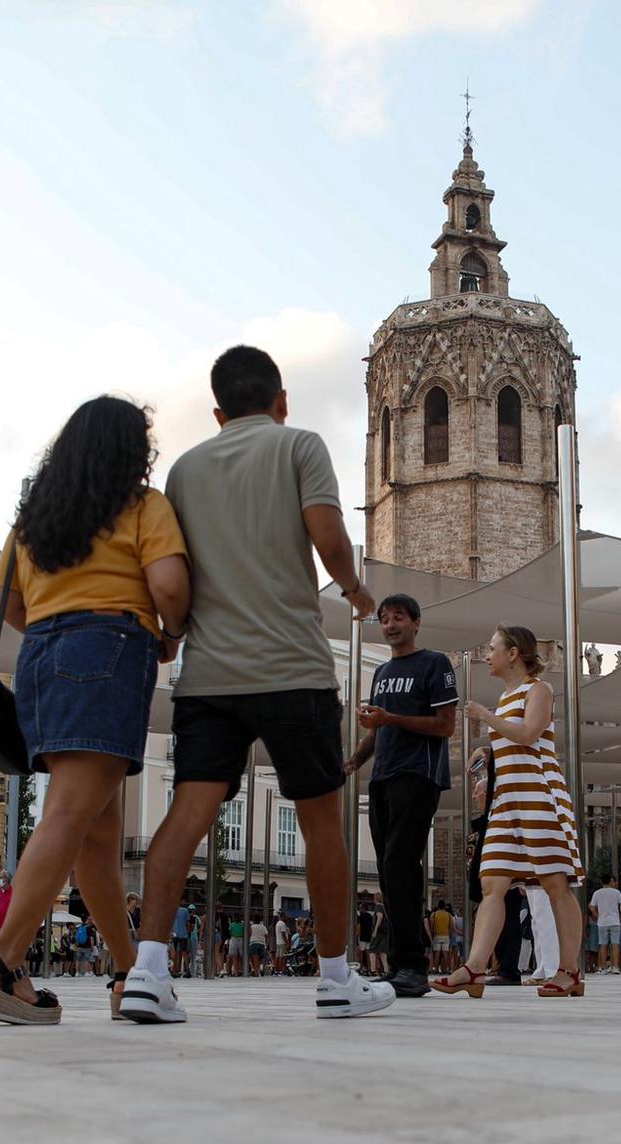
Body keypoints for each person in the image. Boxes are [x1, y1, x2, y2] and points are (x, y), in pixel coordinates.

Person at [129, 346, 395, 1021]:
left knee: (186, 813)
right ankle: (337, 979)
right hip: (292, 668)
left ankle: (148, 971)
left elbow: (177, 570)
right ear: (281, 400)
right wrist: (360, 595)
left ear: (217, 412)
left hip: (210, 674)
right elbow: (330, 543)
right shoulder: (300, 446)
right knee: (319, 822)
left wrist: (177, 631)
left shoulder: (185, 470)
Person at [0, 398, 185, 1023]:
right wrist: (169, 632)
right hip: (110, 651)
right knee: (69, 814)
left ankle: (127, 976)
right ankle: (2, 965)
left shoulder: (38, 516)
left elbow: (2, 596)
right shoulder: (141, 506)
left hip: (39, 658)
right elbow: (169, 584)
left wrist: (52, 624)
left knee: (97, 832)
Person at [432, 626, 586, 998]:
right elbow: (511, 742)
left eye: (493, 648)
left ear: (514, 653)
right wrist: (487, 754)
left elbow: (530, 733)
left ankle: (570, 971)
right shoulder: (505, 698)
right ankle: (474, 969)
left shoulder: (538, 691)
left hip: (539, 794)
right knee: (492, 883)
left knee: (554, 883)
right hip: (507, 801)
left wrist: (485, 716)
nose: (488, 655)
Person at [344, 593, 458, 998]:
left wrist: (390, 717)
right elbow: (377, 731)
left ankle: (413, 965)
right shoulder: (381, 672)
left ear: (416, 622)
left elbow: (446, 726)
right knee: (389, 874)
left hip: (419, 774)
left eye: (397, 618)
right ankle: (400, 965)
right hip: (383, 776)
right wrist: (355, 761)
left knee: (399, 864)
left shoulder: (435, 664)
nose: (390, 625)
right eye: (384, 619)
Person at [590, 874, 621, 973]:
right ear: (610, 880)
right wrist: (620, 916)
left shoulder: (597, 893)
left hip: (602, 922)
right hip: (614, 921)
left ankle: (603, 967)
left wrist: (598, 915)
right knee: (615, 944)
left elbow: (592, 907)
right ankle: (615, 967)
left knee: (603, 944)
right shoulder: (616, 892)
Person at [170, 902, 191, 977]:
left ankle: (174, 970)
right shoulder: (185, 910)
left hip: (175, 933)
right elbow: (187, 923)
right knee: (184, 952)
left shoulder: (172, 910)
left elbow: (171, 923)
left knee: (175, 952)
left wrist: (171, 932)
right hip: (183, 934)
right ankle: (187, 970)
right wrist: (188, 932)